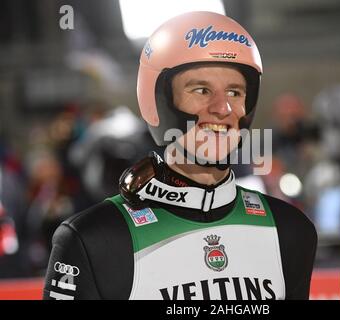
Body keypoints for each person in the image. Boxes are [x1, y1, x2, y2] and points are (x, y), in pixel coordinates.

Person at [43, 11, 317, 300]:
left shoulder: (290, 231)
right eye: (201, 90)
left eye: (235, 92)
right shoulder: (93, 239)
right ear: (157, 101)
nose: (222, 108)